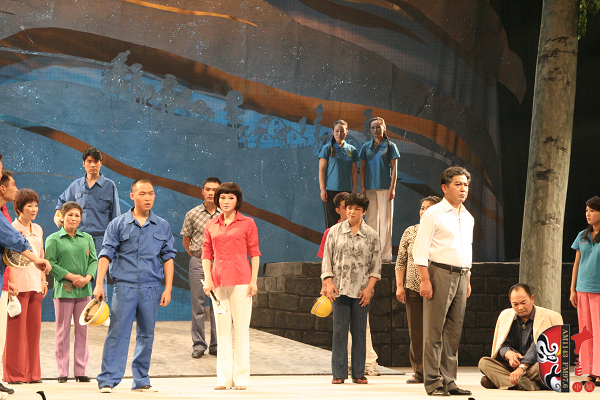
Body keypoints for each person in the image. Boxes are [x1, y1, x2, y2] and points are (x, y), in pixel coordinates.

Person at [94, 179, 175, 393]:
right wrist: (99, 284)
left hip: (151, 288)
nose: (148, 198)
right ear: (132, 196)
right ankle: (108, 379)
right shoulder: (118, 224)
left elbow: (168, 258)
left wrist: (167, 288)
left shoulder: (163, 225)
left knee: (146, 334)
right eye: (142, 194)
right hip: (125, 287)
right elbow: (105, 254)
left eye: (151, 193)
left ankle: (141, 379)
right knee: (117, 333)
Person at [412, 166, 474, 396]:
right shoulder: (433, 213)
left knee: (453, 333)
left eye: (465, 184)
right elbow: (420, 250)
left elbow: (467, 249)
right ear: (445, 187)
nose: (463, 189)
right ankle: (433, 382)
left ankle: (449, 381)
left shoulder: (467, 216)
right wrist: (425, 280)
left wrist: (468, 278)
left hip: (462, 275)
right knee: (434, 331)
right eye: (458, 184)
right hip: (439, 273)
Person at [202, 182, 260, 390]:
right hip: (218, 282)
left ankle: (241, 379)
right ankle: (223, 379)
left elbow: (254, 252)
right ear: (217, 200)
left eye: (230, 198)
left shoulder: (248, 223)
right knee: (222, 331)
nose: (226, 201)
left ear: (237, 201)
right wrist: (208, 279)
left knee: (241, 330)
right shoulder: (211, 224)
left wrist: (254, 280)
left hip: (242, 281)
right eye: (222, 197)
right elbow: (206, 254)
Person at [317, 192, 381, 377]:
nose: (352, 212)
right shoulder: (334, 232)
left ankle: (359, 374)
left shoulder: (371, 235)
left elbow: (376, 265)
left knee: (360, 332)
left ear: (364, 211)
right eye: (349, 208)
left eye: (357, 209)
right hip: (339, 289)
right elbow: (327, 259)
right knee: (340, 332)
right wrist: (328, 282)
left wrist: (369, 288)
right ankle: (338, 373)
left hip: (361, 291)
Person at [54, 147, 120, 323]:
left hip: (100, 238)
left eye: (96, 161)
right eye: (89, 161)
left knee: (99, 275)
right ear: (84, 163)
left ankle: (100, 312)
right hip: (78, 238)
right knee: (78, 273)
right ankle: (77, 314)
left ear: (101, 164)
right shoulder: (76, 185)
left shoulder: (110, 185)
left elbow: (115, 216)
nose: (93, 165)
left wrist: (115, 240)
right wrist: (58, 216)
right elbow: (61, 203)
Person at [45, 201, 98, 383]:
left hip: (84, 291)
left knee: (83, 331)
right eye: (70, 215)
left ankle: (80, 371)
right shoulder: (53, 239)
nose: (74, 218)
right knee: (62, 331)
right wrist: (71, 277)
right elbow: (50, 264)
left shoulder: (87, 238)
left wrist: (87, 278)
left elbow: (94, 260)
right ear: (62, 216)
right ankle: (62, 372)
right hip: (64, 292)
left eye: (77, 215)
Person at [479, 283, 563, 390]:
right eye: (515, 304)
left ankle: (510, 382)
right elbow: (502, 343)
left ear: (532, 299)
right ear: (510, 302)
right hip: (513, 366)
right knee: (484, 363)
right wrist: (509, 354)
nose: (520, 307)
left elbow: (540, 346)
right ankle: (530, 384)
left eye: (523, 302)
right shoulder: (505, 315)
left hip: (535, 365)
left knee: (548, 365)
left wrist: (522, 367)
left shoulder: (551, 316)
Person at [395, 195, 441, 384]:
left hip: (437, 288)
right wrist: (400, 286)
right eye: (422, 208)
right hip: (413, 288)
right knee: (416, 332)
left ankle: (436, 371)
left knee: (436, 332)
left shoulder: (442, 232)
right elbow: (400, 261)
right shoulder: (410, 232)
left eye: (429, 208)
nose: (424, 211)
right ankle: (420, 372)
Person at [3, 189, 47, 384]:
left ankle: (32, 374)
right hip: (17, 285)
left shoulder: (38, 229)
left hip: (35, 284)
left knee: (33, 332)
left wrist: (43, 280)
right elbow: (6, 257)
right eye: (30, 205)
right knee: (15, 333)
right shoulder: (10, 227)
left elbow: (40, 255)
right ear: (19, 208)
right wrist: (10, 282)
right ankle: (14, 375)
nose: (34, 209)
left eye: (36, 205)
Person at [181, 177, 221, 359]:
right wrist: (199, 257)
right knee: (198, 305)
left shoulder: (225, 214)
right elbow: (186, 240)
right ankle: (198, 344)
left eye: (215, 190)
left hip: (220, 263)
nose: (211, 193)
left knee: (217, 304)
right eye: (208, 189)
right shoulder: (192, 214)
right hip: (198, 261)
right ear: (202, 191)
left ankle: (216, 345)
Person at [359, 117, 400, 261]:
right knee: (370, 221)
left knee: (385, 222)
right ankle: (372, 253)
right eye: (373, 127)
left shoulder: (390, 146)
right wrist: (362, 186)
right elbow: (362, 168)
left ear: (384, 128)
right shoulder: (366, 147)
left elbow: (394, 169)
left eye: (378, 127)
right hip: (369, 188)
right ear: (370, 130)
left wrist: (392, 188)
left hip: (385, 189)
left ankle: (385, 255)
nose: (375, 130)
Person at [570, 196, 600, 386]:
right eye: (586, 210)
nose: (588, 214)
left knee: (599, 331)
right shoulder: (582, 235)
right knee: (586, 331)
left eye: (592, 210)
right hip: (582, 289)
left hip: (598, 289)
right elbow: (576, 263)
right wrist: (572, 289)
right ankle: (590, 371)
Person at [318, 120, 359, 228]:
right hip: (330, 191)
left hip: (346, 192)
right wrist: (323, 189)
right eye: (337, 131)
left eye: (342, 131)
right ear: (333, 132)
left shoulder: (352, 150)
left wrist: (354, 190)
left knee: (346, 223)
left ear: (346, 132)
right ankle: (332, 240)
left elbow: (354, 171)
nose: (339, 133)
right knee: (332, 224)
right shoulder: (326, 149)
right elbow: (321, 170)